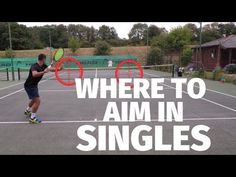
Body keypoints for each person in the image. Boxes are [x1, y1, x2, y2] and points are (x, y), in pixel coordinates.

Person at [24, 54, 56, 124]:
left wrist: (58, 69)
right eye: (45, 59)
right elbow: (34, 74)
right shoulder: (34, 66)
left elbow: (49, 69)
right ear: (43, 59)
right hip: (29, 86)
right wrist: (43, 72)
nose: (46, 60)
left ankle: (27, 110)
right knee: (37, 101)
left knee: (34, 99)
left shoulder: (43, 65)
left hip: (34, 85)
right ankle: (32, 118)